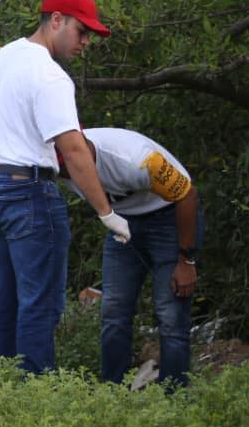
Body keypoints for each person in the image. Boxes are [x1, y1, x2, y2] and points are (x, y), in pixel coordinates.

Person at [0, 0, 130, 373]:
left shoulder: (0, 58)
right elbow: (73, 149)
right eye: (82, 31)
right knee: (38, 302)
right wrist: (107, 212)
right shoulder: (50, 75)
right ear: (56, 20)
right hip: (26, 192)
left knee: (0, 296)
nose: (85, 42)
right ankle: (33, 392)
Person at [59, 128, 202, 387]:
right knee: (113, 309)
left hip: (168, 216)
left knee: (170, 313)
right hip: (122, 221)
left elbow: (188, 195)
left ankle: (175, 394)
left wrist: (186, 260)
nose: (68, 175)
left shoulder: (137, 160)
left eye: (69, 167)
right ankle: (114, 392)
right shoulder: (53, 161)